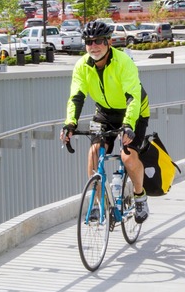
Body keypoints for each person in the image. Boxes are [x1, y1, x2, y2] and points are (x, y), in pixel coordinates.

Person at [60, 21, 151, 224]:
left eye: (99, 41)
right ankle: (100, 204)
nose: (94, 46)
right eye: (89, 42)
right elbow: (76, 97)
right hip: (105, 113)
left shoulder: (123, 62)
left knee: (127, 157)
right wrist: (70, 124)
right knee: (94, 153)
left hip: (134, 111)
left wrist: (128, 125)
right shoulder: (82, 66)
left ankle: (140, 196)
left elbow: (133, 98)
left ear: (108, 42)